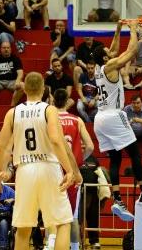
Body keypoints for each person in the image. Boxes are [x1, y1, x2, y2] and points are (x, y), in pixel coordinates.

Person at [0, 72, 81, 250]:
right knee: (63, 223)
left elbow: (0, 149)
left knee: (23, 229)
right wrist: (70, 170)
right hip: (48, 167)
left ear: (24, 88)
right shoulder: (50, 110)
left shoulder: (12, 112)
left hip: (24, 170)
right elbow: (57, 141)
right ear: (44, 89)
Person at [93, 21, 142, 222]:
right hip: (113, 115)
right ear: (106, 57)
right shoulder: (111, 65)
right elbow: (130, 52)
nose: (112, 50)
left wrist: (118, 29)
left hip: (100, 118)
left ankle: (118, 199)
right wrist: (133, 30)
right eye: (108, 52)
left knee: (115, 159)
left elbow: (112, 49)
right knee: (134, 154)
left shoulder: (98, 67)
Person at [53, 88, 94, 250]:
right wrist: (77, 161)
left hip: (53, 171)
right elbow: (90, 146)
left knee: (52, 216)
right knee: (72, 217)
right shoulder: (77, 120)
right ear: (68, 101)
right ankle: (75, 248)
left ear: (52, 100)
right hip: (72, 173)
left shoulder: (49, 119)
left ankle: (51, 245)